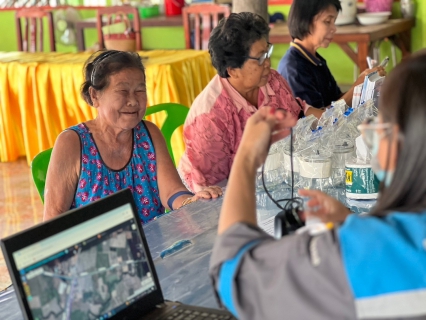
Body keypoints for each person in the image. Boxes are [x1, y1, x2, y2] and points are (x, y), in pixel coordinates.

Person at [209, 51, 426, 319]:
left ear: (406, 145)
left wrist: (246, 158)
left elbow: (236, 274)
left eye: (381, 123)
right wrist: (351, 223)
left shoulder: (370, 253)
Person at [43, 50, 222, 223]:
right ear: (95, 95)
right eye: (123, 91)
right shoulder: (73, 142)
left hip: (154, 245)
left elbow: (171, 192)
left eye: (139, 91)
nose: (134, 101)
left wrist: (190, 202)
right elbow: (54, 217)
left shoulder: (149, 134)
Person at [178, 12, 323, 193]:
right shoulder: (209, 119)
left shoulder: (271, 81)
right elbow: (213, 191)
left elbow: (298, 112)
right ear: (232, 70)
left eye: (268, 52)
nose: (268, 63)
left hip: (273, 183)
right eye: (260, 58)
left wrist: (334, 120)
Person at [277, 0, 386, 109]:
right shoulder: (294, 69)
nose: (334, 28)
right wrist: (357, 88)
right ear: (305, 21)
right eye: (327, 21)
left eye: (334, 21)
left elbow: (335, 100)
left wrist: (365, 88)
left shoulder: (315, 60)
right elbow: (316, 122)